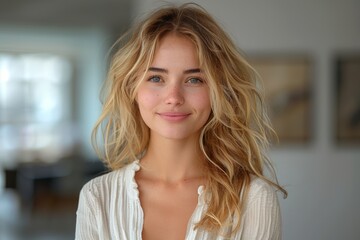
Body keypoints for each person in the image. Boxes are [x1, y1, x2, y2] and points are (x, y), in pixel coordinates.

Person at [75, 3, 287, 240]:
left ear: (219, 91)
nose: (174, 97)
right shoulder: (97, 197)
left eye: (194, 80)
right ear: (132, 88)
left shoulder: (253, 199)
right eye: (156, 77)